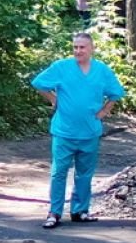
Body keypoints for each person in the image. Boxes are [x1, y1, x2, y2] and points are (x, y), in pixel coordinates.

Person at [31, 32, 126, 229]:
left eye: (82, 47)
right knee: (59, 172)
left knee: (84, 174)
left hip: (90, 131)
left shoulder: (101, 70)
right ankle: (54, 212)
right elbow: (38, 83)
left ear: (91, 49)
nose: (78, 51)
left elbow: (116, 93)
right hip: (64, 131)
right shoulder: (62, 67)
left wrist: (104, 111)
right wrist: (53, 99)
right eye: (75, 47)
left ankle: (80, 210)